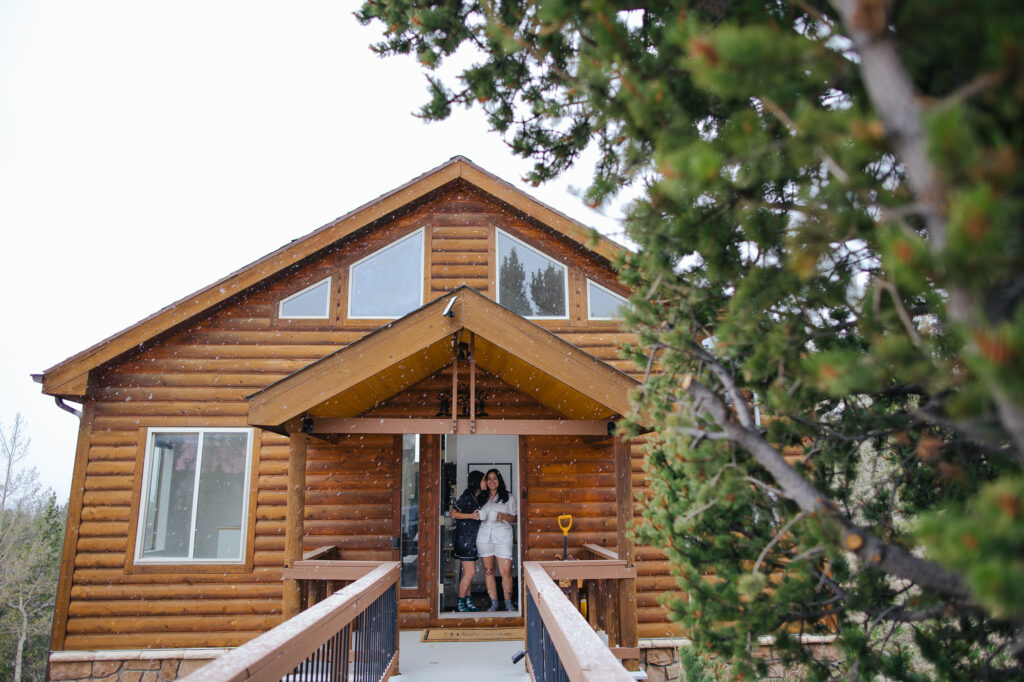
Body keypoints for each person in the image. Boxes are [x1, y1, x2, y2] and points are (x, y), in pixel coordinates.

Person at [477, 468, 518, 611]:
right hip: (484, 537)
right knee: (488, 570)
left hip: (503, 537)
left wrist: (503, 517)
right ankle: (494, 603)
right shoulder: (481, 497)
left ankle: (508, 602)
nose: (491, 481)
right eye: (489, 479)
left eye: (494, 478)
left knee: (506, 571)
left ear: (499, 481)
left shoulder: (508, 497)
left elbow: (515, 518)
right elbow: (475, 514)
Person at [450, 470, 486, 612]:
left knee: (467, 573)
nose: (486, 483)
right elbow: (453, 514)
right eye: (483, 480)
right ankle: (460, 602)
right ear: (477, 482)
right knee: (470, 573)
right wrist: (471, 516)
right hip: (465, 540)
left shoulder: (477, 497)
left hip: (471, 540)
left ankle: (468, 601)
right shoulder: (466, 497)